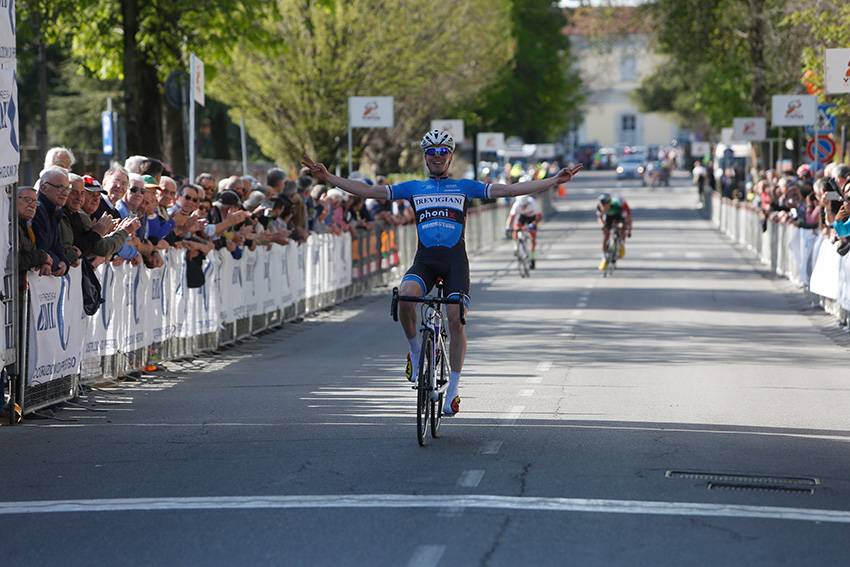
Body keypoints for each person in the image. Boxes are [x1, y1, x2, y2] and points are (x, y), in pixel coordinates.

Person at [302, 129, 582, 416]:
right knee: (406, 298)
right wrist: (329, 179)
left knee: (455, 320)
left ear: (450, 156)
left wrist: (553, 181)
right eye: (431, 153)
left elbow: (509, 190)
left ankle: (453, 390)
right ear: (425, 157)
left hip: (454, 264)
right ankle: (414, 351)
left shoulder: (464, 186)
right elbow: (369, 191)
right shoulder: (413, 187)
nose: (437, 157)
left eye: (442, 152)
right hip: (424, 261)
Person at [505, 195, 543, 269]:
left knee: (533, 238)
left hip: (532, 218)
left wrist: (534, 224)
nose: (524, 207)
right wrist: (507, 227)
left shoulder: (533, 203)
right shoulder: (516, 205)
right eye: (522, 206)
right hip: (523, 216)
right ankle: (516, 246)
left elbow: (539, 216)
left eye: (525, 206)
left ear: (528, 203)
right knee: (516, 228)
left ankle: (532, 257)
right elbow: (511, 217)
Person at [596, 193, 632, 271]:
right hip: (609, 217)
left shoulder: (617, 205)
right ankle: (604, 255)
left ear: (609, 203)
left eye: (605, 204)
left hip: (618, 215)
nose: (604, 207)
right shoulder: (599, 207)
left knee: (622, 227)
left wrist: (629, 230)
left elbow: (627, 218)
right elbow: (600, 218)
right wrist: (602, 226)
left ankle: (621, 243)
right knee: (606, 234)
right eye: (602, 205)